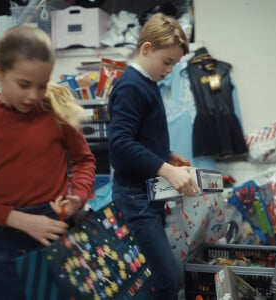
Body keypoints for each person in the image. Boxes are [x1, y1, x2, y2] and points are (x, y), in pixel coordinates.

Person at [0, 25, 96, 300]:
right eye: (24, 85)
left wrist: (78, 196)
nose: (34, 96)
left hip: (58, 232)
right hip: (3, 243)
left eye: (42, 85)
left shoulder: (56, 112)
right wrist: (21, 220)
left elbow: (84, 160)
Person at [108, 13, 201, 300]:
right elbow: (120, 143)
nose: (170, 69)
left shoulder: (147, 82)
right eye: (167, 61)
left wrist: (167, 156)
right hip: (135, 198)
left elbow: (139, 137)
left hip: (147, 194)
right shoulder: (131, 86)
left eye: (174, 63)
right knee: (166, 281)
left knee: (159, 276)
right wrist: (166, 169)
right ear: (146, 49)